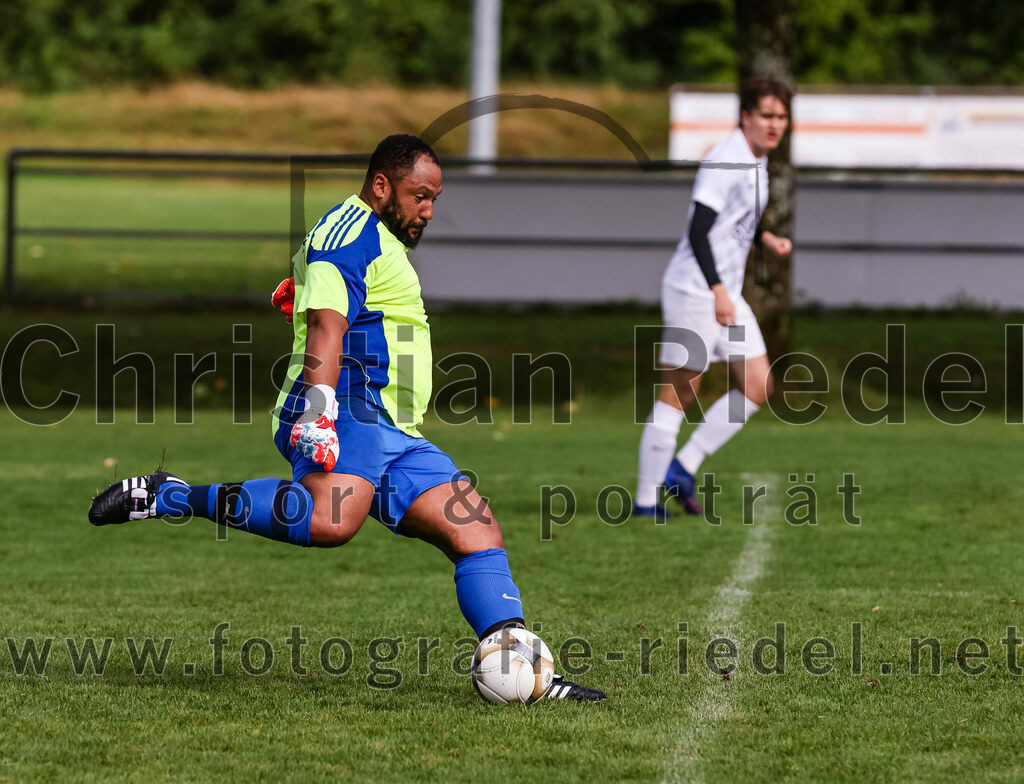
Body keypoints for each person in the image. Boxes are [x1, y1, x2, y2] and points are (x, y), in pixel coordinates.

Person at [89, 134, 605, 702]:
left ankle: (530, 677)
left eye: (434, 199)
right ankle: (169, 496)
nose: (428, 210)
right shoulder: (348, 234)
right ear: (382, 185)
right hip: (348, 408)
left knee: (476, 531)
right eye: (419, 196)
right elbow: (326, 327)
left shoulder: (372, 238)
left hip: (393, 428)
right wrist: (319, 411)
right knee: (330, 521)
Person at [634, 77, 793, 519]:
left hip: (723, 291)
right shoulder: (727, 159)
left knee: (758, 385)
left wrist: (765, 238)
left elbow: (732, 223)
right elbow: (699, 230)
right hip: (696, 288)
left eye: (781, 117)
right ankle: (645, 502)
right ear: (746, 116)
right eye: (766, 115)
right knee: (679, 393)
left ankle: (682, 467)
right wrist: (719, 291)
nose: (775, 124)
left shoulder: (756, 160)